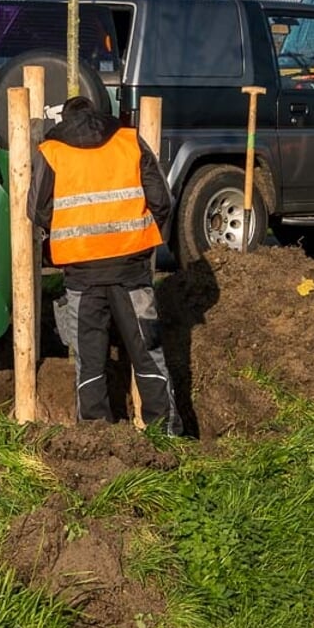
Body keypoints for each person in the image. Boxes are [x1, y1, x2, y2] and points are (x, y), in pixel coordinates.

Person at [31, 96, 182, 434]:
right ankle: (167, 431)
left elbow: (37, 210)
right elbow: (161, 199)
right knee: (148, 351)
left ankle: (96, 435)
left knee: (90, 358)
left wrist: (63, 241)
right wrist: (142, 239)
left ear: (65, 119)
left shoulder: (52, 150)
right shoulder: (128, 139)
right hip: (131, 268)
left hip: (82, 273)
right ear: (97, 113)